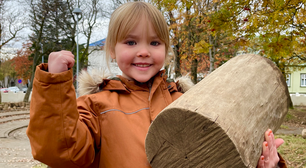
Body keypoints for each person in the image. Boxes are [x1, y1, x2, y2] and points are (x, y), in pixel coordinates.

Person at [26, 2, 286, 168]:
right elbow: (61, 153)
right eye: (130, 42)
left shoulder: (190, 103)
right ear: (112, 51)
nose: (143, 52)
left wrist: (267, 164)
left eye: (154, 43)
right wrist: (54, 85)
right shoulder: (95, 106)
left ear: (166, 50)